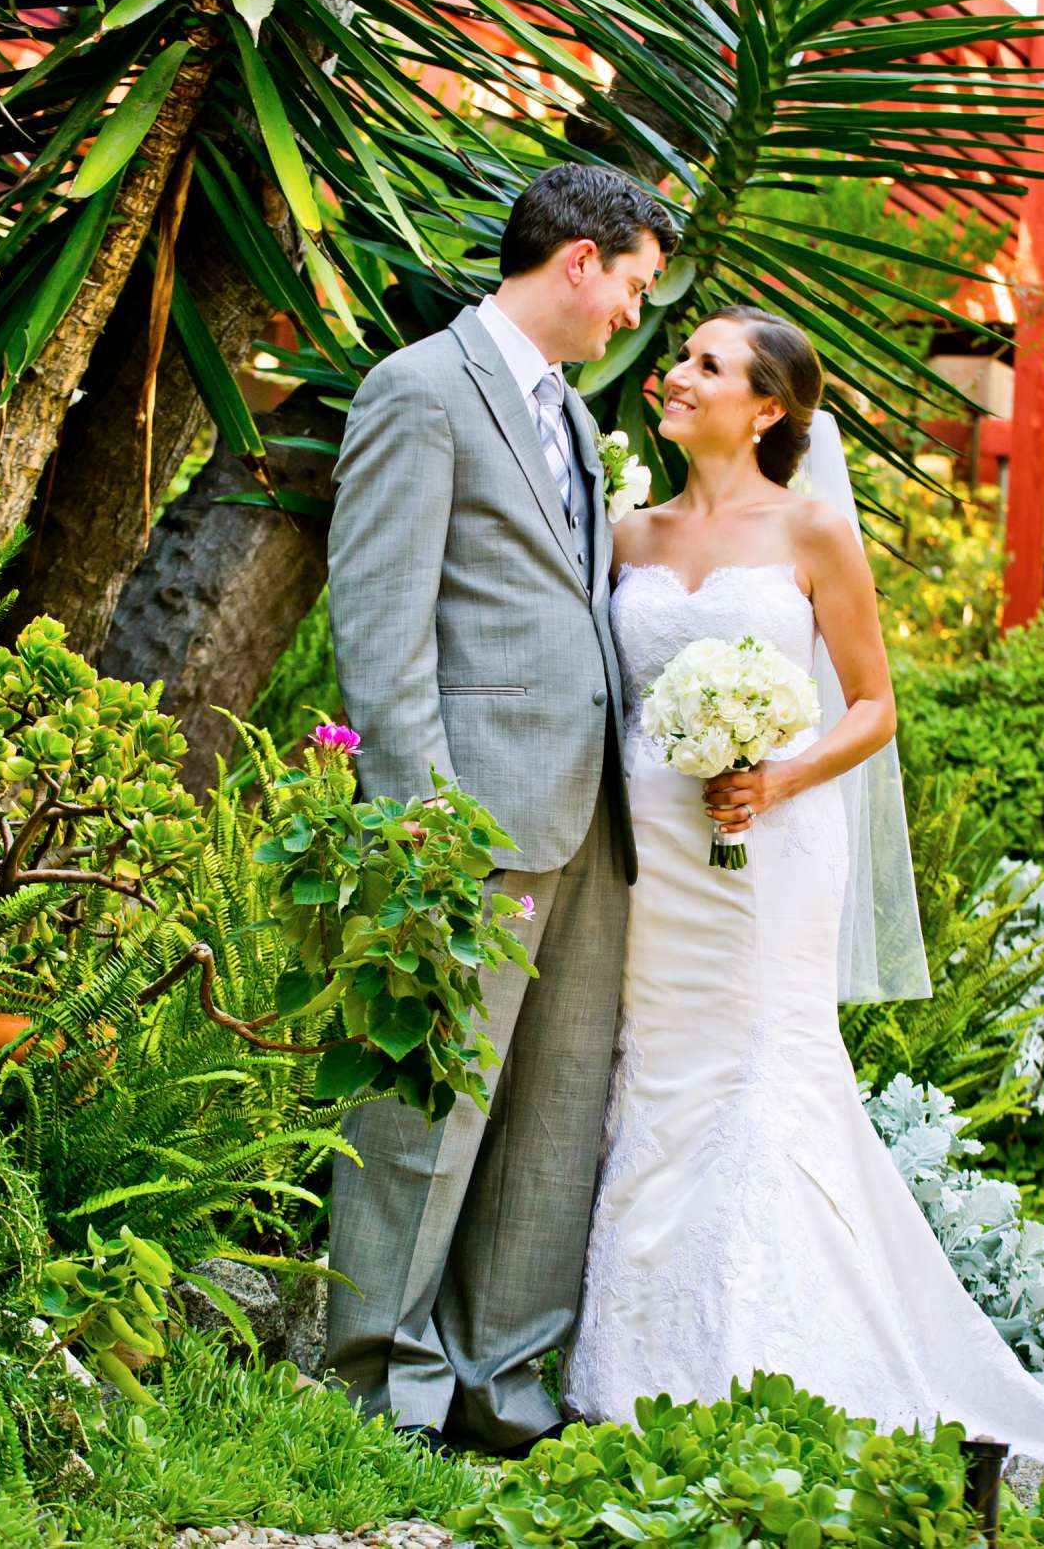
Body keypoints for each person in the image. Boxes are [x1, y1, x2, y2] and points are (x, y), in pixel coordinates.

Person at [562, 306, 1044, 1479]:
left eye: (706, 366)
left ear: (766, 408)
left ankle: (770, 1351)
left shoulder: (816, 531)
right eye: (680, 356)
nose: (673, 374)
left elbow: (874, 706)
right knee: (655, 1070)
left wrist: (775, 777)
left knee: (758, 1071)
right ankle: (633, 1368)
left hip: (772, 849)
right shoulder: (624, 535)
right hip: (653, 852)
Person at [322, 163, 677, 1457]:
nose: (636, 316)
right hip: (473, 818)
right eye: (636, 286)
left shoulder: (575, 422)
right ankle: (379, 1391)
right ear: (578, 264)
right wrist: (423, 818)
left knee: (553, 1112)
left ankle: (499, 1390)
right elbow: (380, 625)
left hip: (593, 823)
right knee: (430, 1108)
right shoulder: (418, 392)